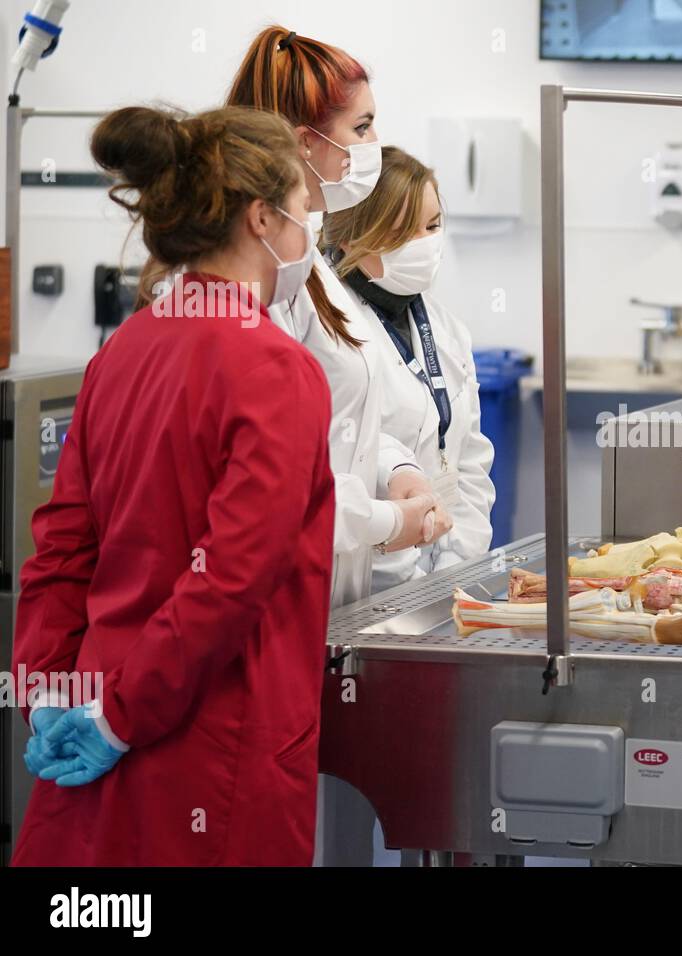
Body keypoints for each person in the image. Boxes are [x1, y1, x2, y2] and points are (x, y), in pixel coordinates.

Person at [13, 105, 335, 866]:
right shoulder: (276, 369)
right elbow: (229, 578)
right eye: (299, 209)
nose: (305, 233)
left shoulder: (124, 350)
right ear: (261, 218)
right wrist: (122, 714)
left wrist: (49, 692)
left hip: (95, 734)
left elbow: (61, 548)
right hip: (207, 744)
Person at [226, 25, 446, 608]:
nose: (377, 144)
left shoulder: (308, 265)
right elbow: (276, 486)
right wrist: (383, 520)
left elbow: (339, 424)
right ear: (305, 143)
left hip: (328, 600)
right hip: (277, 597)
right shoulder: (260, 284)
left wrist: (395, 469)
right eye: (363, 127)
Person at [323, 146, 495, 590]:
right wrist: (408, 577)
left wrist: (459, 566)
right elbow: (342, 454)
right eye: (402, 232)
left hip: (446, 575)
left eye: (433, 226)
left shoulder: (445, 327)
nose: (425, 243)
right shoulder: (329, 330)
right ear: (350, 238)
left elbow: (471, 457)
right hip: (367, 579)